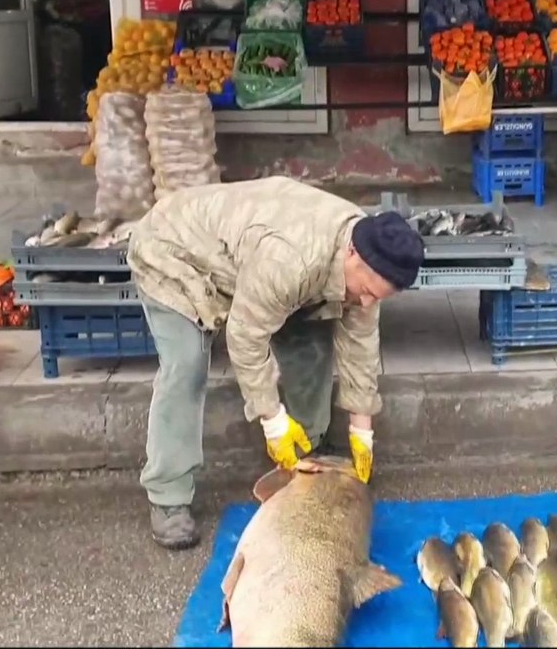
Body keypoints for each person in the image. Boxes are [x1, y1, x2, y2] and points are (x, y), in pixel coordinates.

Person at [126, 176, 425, 550]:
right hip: (174, 253)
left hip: (250, 262)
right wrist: (273, 419)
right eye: (365, 292)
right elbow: (245, 336)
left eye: (376, 298)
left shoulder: (369, 253)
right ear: (352, 255)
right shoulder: (293, 260)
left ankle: (308, 453)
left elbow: (360, 343)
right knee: (185, 367)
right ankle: (168, 496)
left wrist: (362, 430)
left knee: (311, 342)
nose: (366, 303)